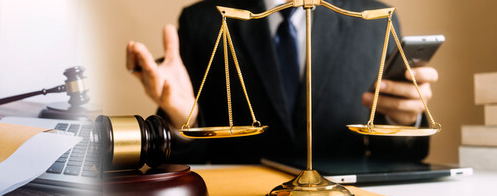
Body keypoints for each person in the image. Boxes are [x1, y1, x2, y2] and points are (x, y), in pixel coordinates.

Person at [127, 0, 436, 163]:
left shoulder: (376, 19)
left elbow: (401, 157)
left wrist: (403, 118)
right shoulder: (204, 21)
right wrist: (185, 120)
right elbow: (187, 158)